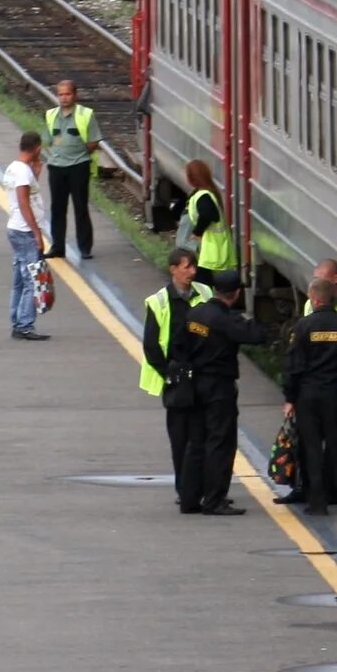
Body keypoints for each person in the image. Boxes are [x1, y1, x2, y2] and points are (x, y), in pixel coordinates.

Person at [164, 269, 275, 515]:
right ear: (235, 294)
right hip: (218, 388)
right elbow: (257, 336)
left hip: (194, 386)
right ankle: (214, 500)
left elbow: (177, 346)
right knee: (220, 442)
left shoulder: (196, 313)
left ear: (215, 289)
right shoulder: (226, 319)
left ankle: (189, 498)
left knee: (196, 442)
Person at [280, 277, 337, 514]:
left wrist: (290, 397)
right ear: (334, 298)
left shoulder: (302, 327)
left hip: (308, 397)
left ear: (314, 298)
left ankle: (317, 503)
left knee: (312, 449)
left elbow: (293, 365)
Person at [140, 249, 210, 499]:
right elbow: (150, 344)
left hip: (202, 375)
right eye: (187, 267)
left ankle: (203, 487)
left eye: (194, 266)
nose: (192, 271)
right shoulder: (158, 302)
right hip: (177, 379)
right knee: (181, 439)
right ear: (173, 269)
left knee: (202, 435)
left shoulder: (204, 293)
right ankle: (185, 489)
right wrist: (168, 373)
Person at [41, 80, 96, 261]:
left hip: (78, 166)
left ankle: (85, 248)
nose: (64, 98)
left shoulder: (86, 115)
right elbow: (46, 140)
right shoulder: (50, 115)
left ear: (75, 94)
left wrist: (77, 154)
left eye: (67, 94)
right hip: (56, 167)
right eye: (61, 94)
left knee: (81, 207)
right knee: (57, 208)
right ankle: (58, 247)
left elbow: (93, 142)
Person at [4, 130, 48, 342]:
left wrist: (36, 172)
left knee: (20, 280)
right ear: (37, 148)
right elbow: (24, 202)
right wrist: (37, 233)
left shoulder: (14, 168)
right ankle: (24, 325)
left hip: (15, 228)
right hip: (24, 231)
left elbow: (28, 195)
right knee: (32, 279)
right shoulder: (22, 172)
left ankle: (17, 321)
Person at [178, 158, 237, 280]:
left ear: (192, 178)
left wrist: (196, 232)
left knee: (205, 289)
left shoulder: (203, 195)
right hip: (219, 250)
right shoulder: (208, 193)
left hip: (212, 253)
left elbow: (209, 214)